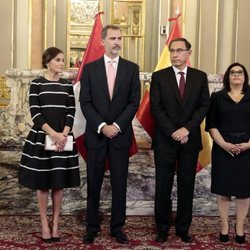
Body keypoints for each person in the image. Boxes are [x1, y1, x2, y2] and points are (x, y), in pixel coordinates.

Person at [80, 24, 141, 244]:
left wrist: (116, 126)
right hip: (96, 136)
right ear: (102, 42)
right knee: (94, 183)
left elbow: (134, 102)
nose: (117, 42)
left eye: (119, 38)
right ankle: (91, 227)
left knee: (119, 183)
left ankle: (117, 228)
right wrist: (102, 126)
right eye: (113, 38)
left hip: (120, 135)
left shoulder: (132, 69)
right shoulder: (90, 69)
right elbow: (85, 103)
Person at [150, 38, 210, 243]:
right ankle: (162, 228)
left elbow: (203, 107)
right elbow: (155, 108)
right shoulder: (159, 76)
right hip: (165, 140)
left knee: (187, 185)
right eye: (172, 51)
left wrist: (186, 129)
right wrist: (173, 131)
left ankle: (183, 228)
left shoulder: (200, 77)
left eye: (179, 51)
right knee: (163, 185)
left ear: (188, 53)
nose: (175, 54)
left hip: (190, 140)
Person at [19, 47, 80, 243]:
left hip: (63, 139)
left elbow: (72, 110)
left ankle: (55, 225)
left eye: (63, 60)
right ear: (48, 62)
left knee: (59, 185)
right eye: (58, 60)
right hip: (42, 138)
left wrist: (63, 134)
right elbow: (35, 113)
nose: (62, 63)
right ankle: (44, 224)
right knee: (43, 184)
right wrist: (53, 134)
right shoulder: (36, 83)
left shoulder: (67, 85)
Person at [205, 62, 250, 244]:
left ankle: (239, 228)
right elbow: (211, 124)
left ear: (245, 76)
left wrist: (247, 145)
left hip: (247, 151)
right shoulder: (217, 97)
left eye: (240, 72)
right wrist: (224, 144)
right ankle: (224, 227)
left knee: (244, 192)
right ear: (227, 77)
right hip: (223, 150)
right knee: (224, 191)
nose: (236, 75)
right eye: (233, 72)